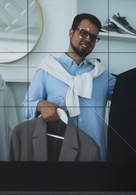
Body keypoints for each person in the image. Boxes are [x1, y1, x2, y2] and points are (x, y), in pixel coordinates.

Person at [22, 13, 115, 154]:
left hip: (94, 155)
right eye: (83, 33)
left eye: (94, 37)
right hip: (59, 153)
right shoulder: (48, 69)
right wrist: (40, 105)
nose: (88, 39)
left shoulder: (102, 76)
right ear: (71, 33)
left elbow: (133, 91)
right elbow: (25, 107)